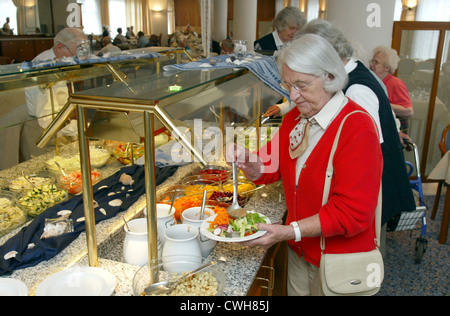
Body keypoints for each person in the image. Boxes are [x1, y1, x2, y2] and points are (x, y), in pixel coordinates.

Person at [226, 34, 383, 296]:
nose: (292, 96)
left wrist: (290, 231)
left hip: (338, 262)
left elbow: (353, 213)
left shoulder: (357, 127)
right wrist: (250, 162)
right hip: (300, 251)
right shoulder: (296, 118)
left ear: (330, 77)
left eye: (301, 85)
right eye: (287, 84)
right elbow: (271, 164)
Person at [370, 46, 414, 134]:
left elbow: (409, 111)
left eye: (376, 62)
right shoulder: (375, 81)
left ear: (387, 68)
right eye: (372, 61)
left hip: (395, 130)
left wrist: (383, 104)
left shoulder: (396, 84)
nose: (371, 65)